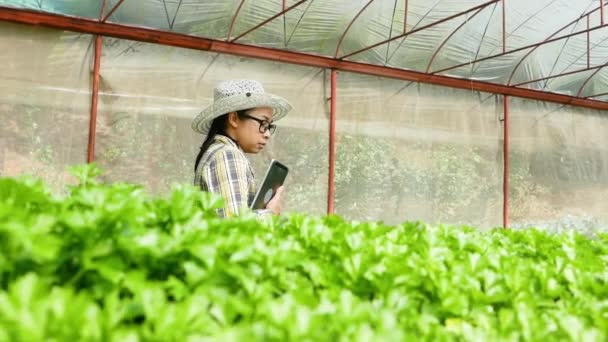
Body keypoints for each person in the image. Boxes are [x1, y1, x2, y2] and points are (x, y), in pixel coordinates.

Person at [191, 79, 292, 218]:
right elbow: (235, 227)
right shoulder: (227, 155)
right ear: (233, 118)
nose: (267, 134)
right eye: (263, 123)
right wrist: (270, 214)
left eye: (269, 126)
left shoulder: (218, 152)